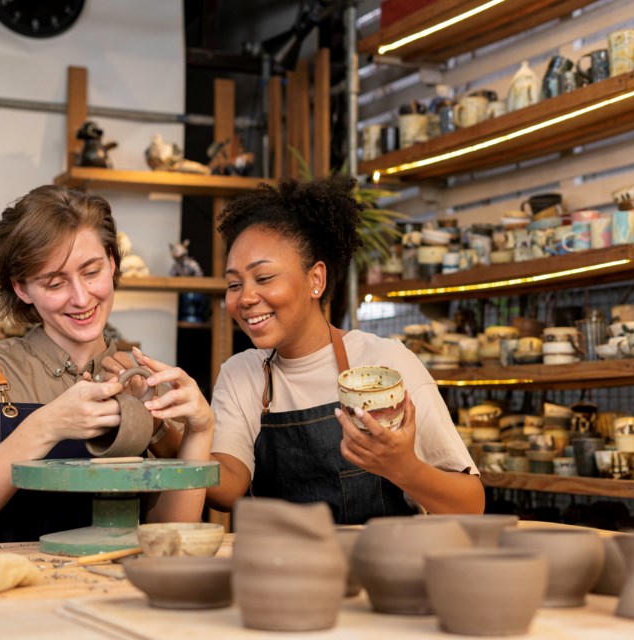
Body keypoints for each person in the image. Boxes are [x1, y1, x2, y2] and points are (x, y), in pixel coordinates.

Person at [0, 185, 214, 542]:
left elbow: (169, 536)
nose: (82, 298)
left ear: (113, 263)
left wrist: (199, 430)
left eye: (92, 272)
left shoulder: (142, 378)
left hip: (107, 590)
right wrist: (47, 425)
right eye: (55, 283)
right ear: (22, 289)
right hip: (7, 588)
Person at [204, 175, 484, 523]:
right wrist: (169, 430)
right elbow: (227, 491)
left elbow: (471, 504)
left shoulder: (385, 364)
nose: (245, 298)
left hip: (377, 570)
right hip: (281, 570)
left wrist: (404, 468)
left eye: (263, 279)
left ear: (316, 280)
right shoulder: (241, 373)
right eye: (234, 284)